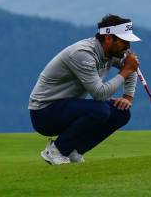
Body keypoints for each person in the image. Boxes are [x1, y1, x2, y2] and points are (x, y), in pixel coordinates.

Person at [28, 14, 141, 165]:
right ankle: (56, 151)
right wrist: (126, 70)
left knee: (121, 113)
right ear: (108, 38)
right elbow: (99, 94)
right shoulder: (83, 54)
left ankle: (74, 151)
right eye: (123, 41)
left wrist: (127, 97)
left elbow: (131, 68)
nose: (128, 46)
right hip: (44, 113)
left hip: (67, 107)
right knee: (100, 110)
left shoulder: (113, 52)